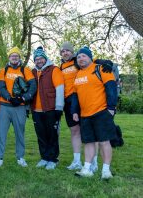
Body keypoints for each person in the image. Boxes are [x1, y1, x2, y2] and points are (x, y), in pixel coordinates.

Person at [72, 46, 117, 179]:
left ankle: (106, 171)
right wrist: (74, 111)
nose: (81, 58)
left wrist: (111, 107)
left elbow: (111, 88)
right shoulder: (78, 74)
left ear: (90, 57)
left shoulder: (101, 69)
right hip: (85, 115)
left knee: (104, 141)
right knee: (89, 142)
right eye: (79, 57)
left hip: (101, 112)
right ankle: (87, 169)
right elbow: (75, 95)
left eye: (83, 56)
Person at [0, 47, 37, 167]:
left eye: (16, 56)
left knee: (20, 133)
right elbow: (1, 87)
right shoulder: (4, 70)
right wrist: (9, 97)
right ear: (9, 57)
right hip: (5, 106)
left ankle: (20, 157)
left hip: (20, 107)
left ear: (19, 58)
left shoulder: (25, 70)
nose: (14, 58)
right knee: (1, 132)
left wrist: (23, 98)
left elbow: (33, 86)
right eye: (12, 56)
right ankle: (0, 158)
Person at [31, 47, 64, 170]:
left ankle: (53, 159)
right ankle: (44, 157)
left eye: (41, 58)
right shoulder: (33, 72)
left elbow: (60, 88)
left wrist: (59, 108)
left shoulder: (54, 70)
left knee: (52, 134)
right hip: (36, 110)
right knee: (41, 135)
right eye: (36, 59)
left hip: (51, 109)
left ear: (45, 58)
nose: (39, 61)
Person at [59, 42, 83, 170]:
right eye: (62, 51)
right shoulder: (60, 67)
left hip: (80, 99)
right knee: (74, 131)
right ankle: (77, 161)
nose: (65, 53)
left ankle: (93, 163)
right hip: (67, 102)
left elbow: (92, 63)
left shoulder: (78, 62)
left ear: (72, 52)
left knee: (88, 130)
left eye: (67, 50)